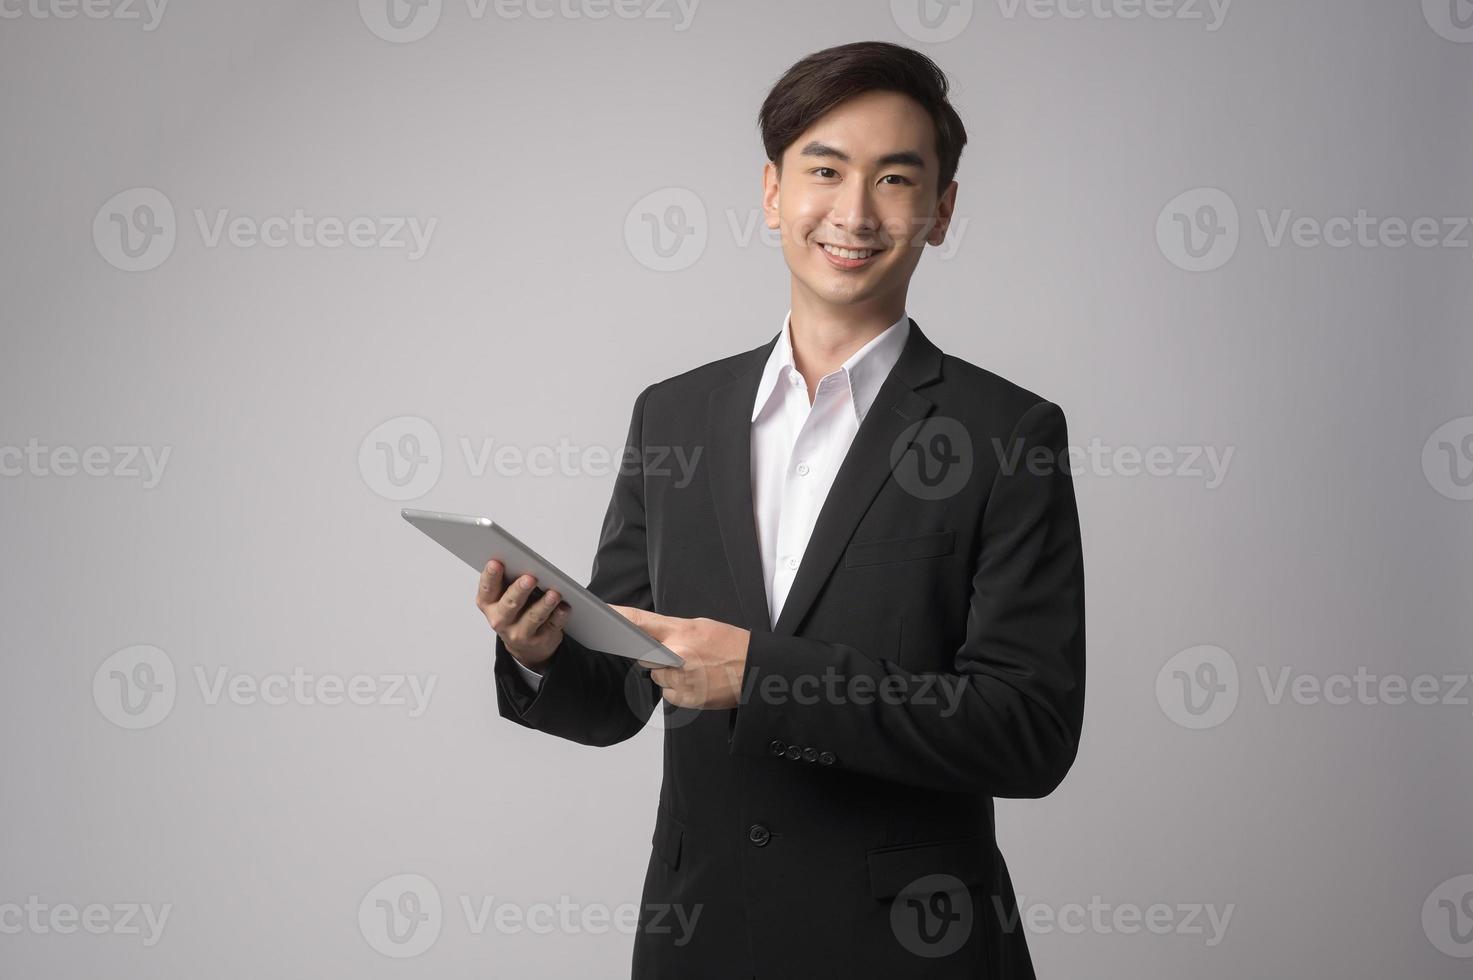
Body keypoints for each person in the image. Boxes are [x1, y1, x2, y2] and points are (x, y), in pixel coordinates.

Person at [477, 40, 1085, 980]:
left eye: (894, 179)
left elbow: (1027, 731)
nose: (853, 213)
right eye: (824, 171)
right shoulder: (672, 415)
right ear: (771, 194)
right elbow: (621, 694)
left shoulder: (1008, 432)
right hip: (703, 940)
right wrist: (541, 651)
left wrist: (767, 676)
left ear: (941, 211)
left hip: (914, 950)